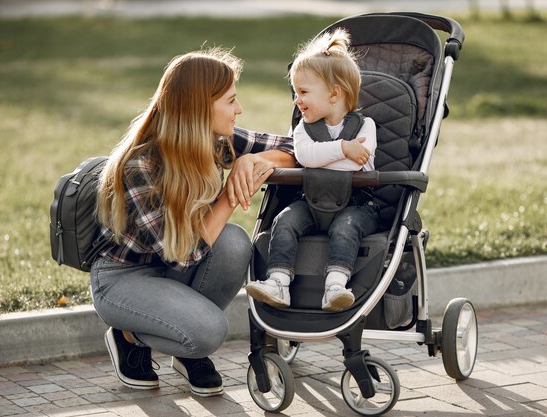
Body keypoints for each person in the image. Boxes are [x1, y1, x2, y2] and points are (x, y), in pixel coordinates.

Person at [90, 48, 295, 397]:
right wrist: (231, 195)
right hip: (124, 278)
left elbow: (296, 148)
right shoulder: (141, 165)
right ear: (200, 105)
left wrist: (255, 160)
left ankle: (185, 351)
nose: (239, 109)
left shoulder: (217, 141)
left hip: (173, 269)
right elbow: (183, 255)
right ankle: (128, 335)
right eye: (231, 101)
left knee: (233, 242)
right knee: (209, 332)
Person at [246, 28, 378, 312]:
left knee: (346, 229)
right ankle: (278, 282)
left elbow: (358, 163)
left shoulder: (365, 126)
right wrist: (343, 149)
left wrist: (329, 157)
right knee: (283, 221)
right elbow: (305, 156)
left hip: (356, 205)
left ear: (334, 94)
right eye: (295, 92)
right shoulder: (303, 128)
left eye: (303, 92)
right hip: (312, 202)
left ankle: (335, 287)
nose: (297, 100)